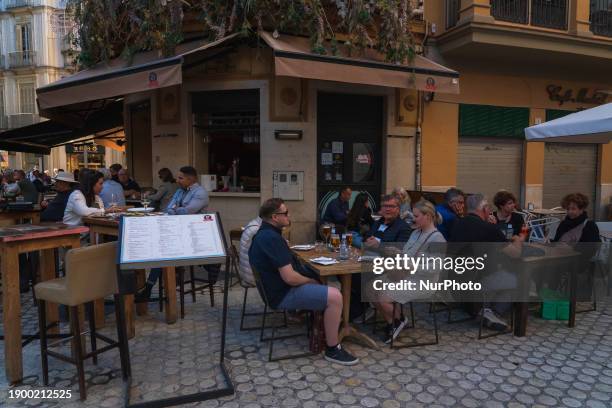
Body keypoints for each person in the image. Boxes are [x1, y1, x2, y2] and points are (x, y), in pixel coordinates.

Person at [249, 198, 358, 365]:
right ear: (274, 217)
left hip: (275, 291)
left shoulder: (265, 234)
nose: (288, 215)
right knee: (335, 296)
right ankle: (332, 348)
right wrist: (310, 281)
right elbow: (290, 278)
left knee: (323, 285)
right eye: (285, 213)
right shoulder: (271, 238)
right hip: (282, 294)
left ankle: (327, 326)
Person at [371, 200, 447, 343]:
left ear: (428, 216)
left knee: (382, 296)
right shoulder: (416, 232)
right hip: (407, 275)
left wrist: (412, 265)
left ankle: (396, 323)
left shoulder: (438, 238)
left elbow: (435, 268)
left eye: (417, 216)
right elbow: (408, 254)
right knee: (372, 288)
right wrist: (397, 252)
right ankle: (396, 321)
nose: (413, 219)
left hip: (424, 282)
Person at [449, 194, 524, 330]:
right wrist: (519, 239)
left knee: (496, 273)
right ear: (484, 209)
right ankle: (492, 313)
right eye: (488, 207)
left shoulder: (457, 223)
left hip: (453, 281)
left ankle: (485, 308)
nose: (490, 211)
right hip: (475, 284)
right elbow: (515, 253)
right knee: (519, 281)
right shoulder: (488, 229)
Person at [137, 166, 211, 301]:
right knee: (159, 247)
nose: (177, 180)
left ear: (191, 179)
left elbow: (188, 211)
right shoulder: (180, 191)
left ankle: (151, 286)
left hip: (193, 237)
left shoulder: (200, 193)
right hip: (176, 232)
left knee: (164, 249)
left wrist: (176, 209)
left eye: (180, 178)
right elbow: (168, 208)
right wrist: (176, 209)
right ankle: (149, 286)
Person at [239, 216, 263, 287]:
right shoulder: (256, 230)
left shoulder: (253, 223)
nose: (288, 216)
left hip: (246, 272)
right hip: (252, 277)